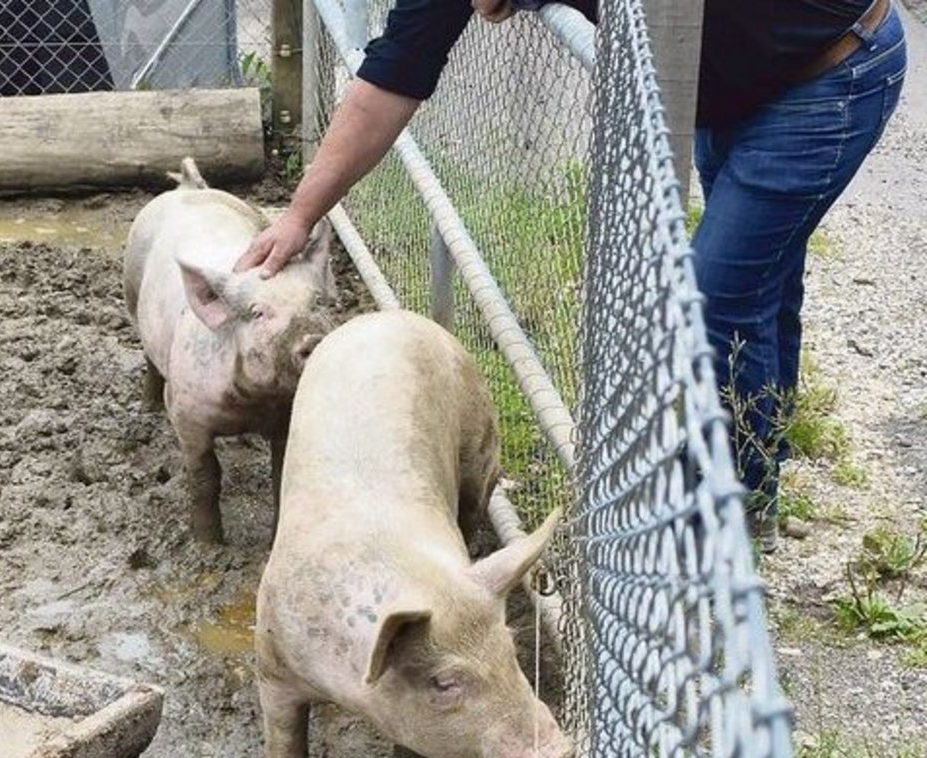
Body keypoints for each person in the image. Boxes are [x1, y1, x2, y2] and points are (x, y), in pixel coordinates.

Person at [235, 0, 908, 552]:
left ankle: (722, 537)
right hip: (736, 93)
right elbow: (393, 79)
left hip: (833, 71)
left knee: (712, 303)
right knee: (756, 281)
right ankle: (755, 493)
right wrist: (300, 215)